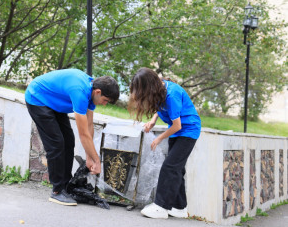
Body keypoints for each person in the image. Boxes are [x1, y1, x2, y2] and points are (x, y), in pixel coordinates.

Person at [25, 68, 119, 206]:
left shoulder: (92, 92)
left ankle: (66, 186)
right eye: (105, 100)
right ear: (98, 92)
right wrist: (97, 161)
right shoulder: (80, 92)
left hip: (54, 103)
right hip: (37, 98)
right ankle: (57, 191)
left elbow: (89, 127)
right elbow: (83, 134)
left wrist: (89, 158)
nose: (104, 104)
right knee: (56, 143)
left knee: (69, 141)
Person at [128, 67, 201, 219]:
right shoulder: (160, 88)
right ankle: (179, 208)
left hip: (188, 131)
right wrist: (153, 121)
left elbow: (177, 125)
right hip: (179, 131)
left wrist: (159, 138)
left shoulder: (172, 95)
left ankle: (161, 207)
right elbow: (159, 105)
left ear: (149, 86)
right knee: (177, 169)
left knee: (169, 167)